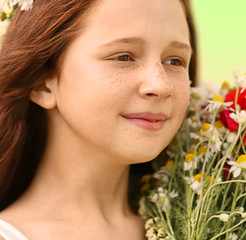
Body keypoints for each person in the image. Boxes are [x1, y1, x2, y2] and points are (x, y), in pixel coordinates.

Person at [0, 0, 197, 239]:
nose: (161, 85)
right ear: (42, 82)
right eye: (123, 57)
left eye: (175, 61)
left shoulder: (212, 224)